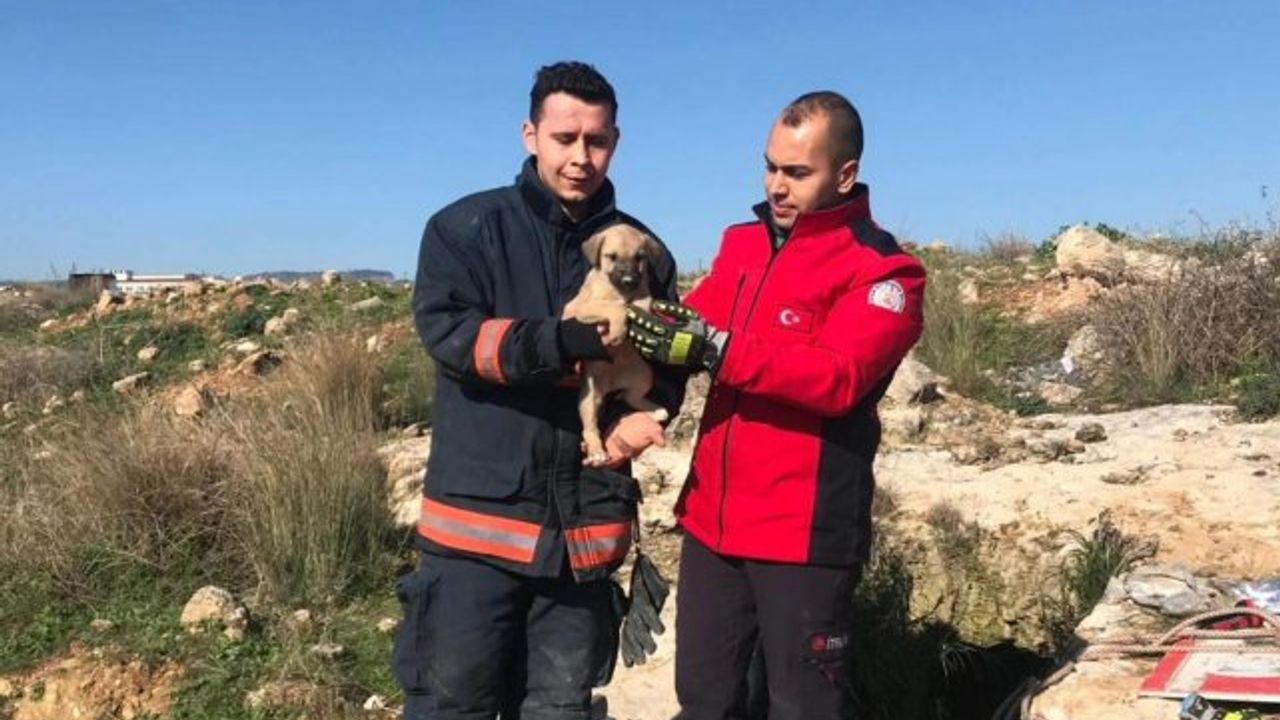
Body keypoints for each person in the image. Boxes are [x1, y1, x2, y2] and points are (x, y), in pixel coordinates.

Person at [394, 61, 683, 720]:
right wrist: (564, 342)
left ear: (616, 141)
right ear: (530, 135)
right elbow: (453, 340)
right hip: (476, 539)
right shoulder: (465, 229)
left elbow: (671, 357)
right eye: (564, 138)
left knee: (560, 710)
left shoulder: (644, 251)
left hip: (584, 539)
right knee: (452, 707)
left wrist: (651, 410)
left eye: (597, 140)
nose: (581, 156)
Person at [626, 91, 927, 719]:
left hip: (804, 534)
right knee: (705, 702)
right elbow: (690, 328)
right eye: (769, 167)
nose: (776, 186)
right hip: (712, 523)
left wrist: (717, 349)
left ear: (844, 174)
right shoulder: (741, 244)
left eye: (797, 172)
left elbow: (838, 378)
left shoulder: (886, 272)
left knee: (801, 706)